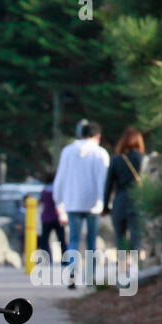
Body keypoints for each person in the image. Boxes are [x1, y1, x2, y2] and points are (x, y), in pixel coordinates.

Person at [52, 120, 110, 289]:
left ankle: (71, 272)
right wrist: (104, 202)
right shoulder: (100, 153)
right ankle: (90, 278)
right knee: (91, 241)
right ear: (97, 136)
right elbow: (103, 181)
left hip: (72, 202)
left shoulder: (68, 151)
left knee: (74, 240)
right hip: (93, 204)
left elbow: (60, 178)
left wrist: (59, 202)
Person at [103, 127, 146, 263]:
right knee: (136, 238)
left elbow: (108, 185)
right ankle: (135, 272)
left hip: (120, 201)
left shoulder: (116, 160)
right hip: (137, 202)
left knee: (120, 239)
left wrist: (105, 207)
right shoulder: (143, 159)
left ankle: (122, 273)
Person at [37, 171, 67, 263]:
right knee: (61, 240)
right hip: (58, 218)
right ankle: (65, 260)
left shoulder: (44, 190)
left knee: (44, 240)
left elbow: (40, 201)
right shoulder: (58, 190)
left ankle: (47, 258)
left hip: (46, 218)